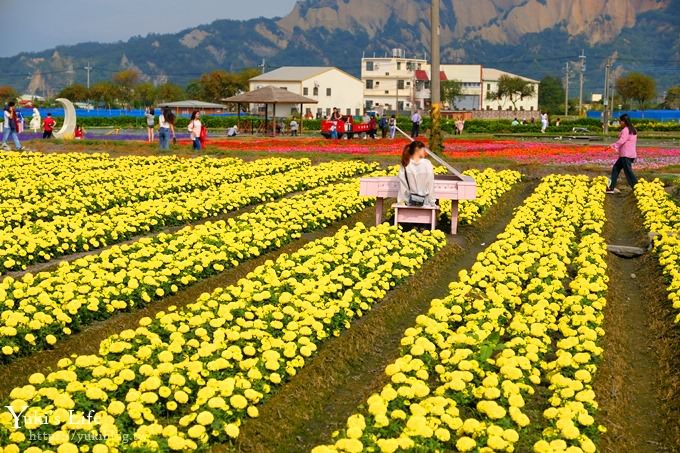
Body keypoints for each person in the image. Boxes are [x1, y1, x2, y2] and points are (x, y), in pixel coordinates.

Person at [606, 114, 639, 194]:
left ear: (624, 121)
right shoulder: (632, 129)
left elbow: (622, 141)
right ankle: (611, 188)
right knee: (616, 168)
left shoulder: (626, 130)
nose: (619, 123)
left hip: (626, 155)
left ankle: (637, 187)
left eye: (620, 121)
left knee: (628, 172)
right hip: (628, 154)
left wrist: (612, 146)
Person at [398, 140, 435, 207]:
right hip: (425, 203)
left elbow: (402, 187)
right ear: (419, 150)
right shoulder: (427, 163)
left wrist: (401, 202)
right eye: (424, 150)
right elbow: (430, 185)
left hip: (410, 202)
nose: (425, 152)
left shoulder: (405, 164)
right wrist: (432, 202)